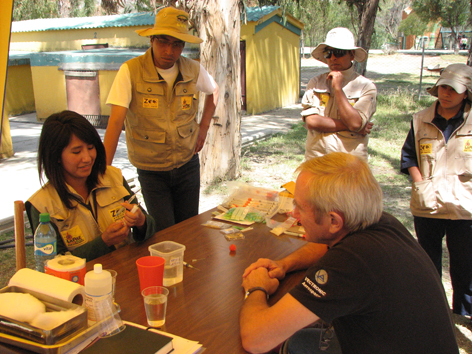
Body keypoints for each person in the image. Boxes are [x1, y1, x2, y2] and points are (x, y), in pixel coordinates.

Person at [240, 152, 458, 354]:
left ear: (334, 221)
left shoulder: (350, 262)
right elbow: (323, 245)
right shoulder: (380, 221)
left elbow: (256, 339)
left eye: (300, 207)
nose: (293, 213)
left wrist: (256, 287)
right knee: (300, 341)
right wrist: (285, 264)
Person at [104, 6, 218, 232]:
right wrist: (103, 172)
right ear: (152, 40)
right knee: (164, 231)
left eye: (177, 44)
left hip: (187, 166)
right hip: (151, 170)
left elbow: (213, 92)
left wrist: (203, 128)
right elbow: (115, 123)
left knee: (189, 229)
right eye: (163, 42)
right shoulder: (130, 72)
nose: (170, 50)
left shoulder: (192, 69)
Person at [27, 111, 156, 262]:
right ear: (56, 156)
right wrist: (104, 242)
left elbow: (150, 228)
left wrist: (141, 222)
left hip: (125, 271)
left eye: (90, 148)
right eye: (76, 152)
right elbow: (54, 264)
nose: (87, 158)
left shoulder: (112, 177)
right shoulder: (42, 205)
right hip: (80, 282)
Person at [401, 63, 472, 320]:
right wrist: (421, 183)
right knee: (428, 264)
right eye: (443, 86)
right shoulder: (420, 118)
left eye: (454, 89)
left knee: (465, 266)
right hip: (427, 205)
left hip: (464, 208)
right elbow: (409, 156)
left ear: (466, 93)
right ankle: (434, 314)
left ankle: (463, 316)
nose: (446, 93)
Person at [301, 28, 377, 161]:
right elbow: (312, 121)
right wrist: (355, 127)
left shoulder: (366, 87)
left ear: (352, 55)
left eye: (339, 52)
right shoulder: (316, 82)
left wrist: (337, 89)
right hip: (317, 159)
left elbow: (354, 123)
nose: (333, 58)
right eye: (328, 53)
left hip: (349, 163)